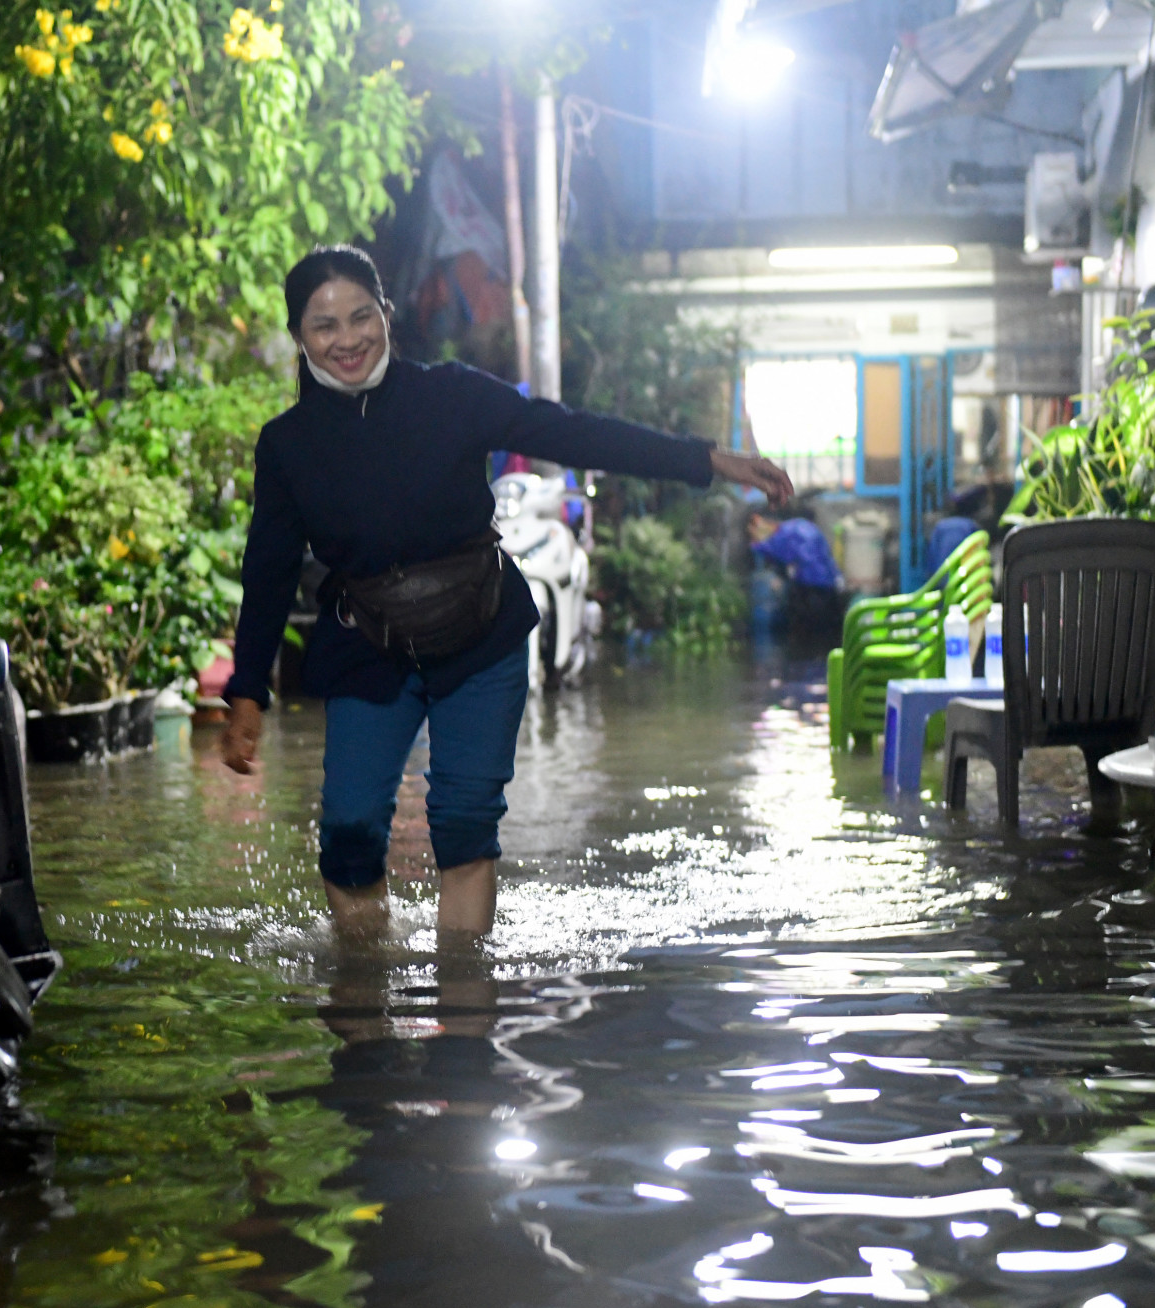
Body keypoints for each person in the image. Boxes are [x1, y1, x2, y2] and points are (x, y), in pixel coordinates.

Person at [219, 245, 792, 943]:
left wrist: (707, 459)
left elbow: (571, 430)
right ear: (300, 336)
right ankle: (363, 1005)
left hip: (478, 633)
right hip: (368, 643)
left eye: (361, 316)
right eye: (325, 325)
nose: (347, 339)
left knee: (462, 820)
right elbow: (269, 565)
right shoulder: (287, 444)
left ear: (387, 316)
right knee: (346, 827)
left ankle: (462, 1011)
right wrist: (247, 688)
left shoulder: (452, 394)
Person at [747, 508, 841, 640]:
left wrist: (756, 546)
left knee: (809, 625)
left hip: (810, 585)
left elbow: (781, 554)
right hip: (826, 582)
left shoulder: (785, 533)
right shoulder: (797, 527)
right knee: (824, 627)